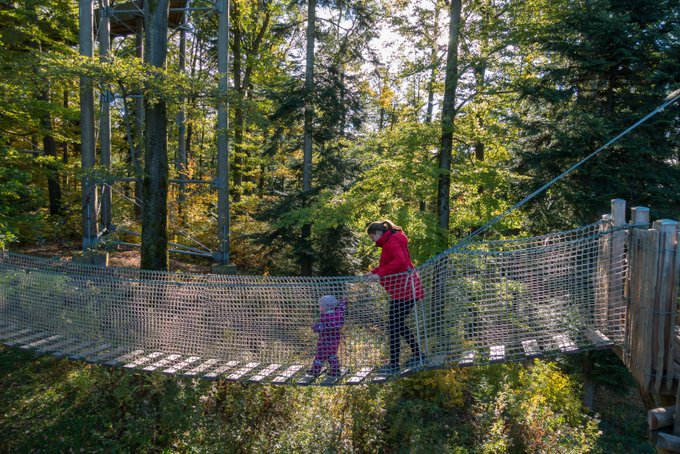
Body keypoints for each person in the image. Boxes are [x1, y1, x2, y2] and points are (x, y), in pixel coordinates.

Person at [365, 220, 425, 374]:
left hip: (405, 290)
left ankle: (394, 364)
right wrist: (374, 272)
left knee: (394, 326)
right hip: (404, 290)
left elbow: (401, 261)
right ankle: (417, 354)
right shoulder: (392, 240)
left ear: (378, 233)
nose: (373, 241)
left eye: (372, 237)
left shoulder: (392, 242)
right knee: (396, 324)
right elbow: (390, 263)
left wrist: (380, 275)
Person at [309, 295, 347, 377]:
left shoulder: (326, 317)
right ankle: (335, 370)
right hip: (335, 340)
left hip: (325, 341)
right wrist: (343, 301)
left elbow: (324, 328)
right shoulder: (338, 313)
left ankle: (315, 371)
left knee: (320, 356)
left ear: (324, 307)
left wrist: (315, 326)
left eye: (320, 306)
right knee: (331, 355)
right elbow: (342, 308)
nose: (319, 308)